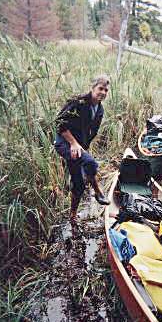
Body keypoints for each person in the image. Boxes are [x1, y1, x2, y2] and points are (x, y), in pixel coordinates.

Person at [54, 75, 110, 224]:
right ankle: (98, 191)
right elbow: (59, 123)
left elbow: (92, 132)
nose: (103, 92)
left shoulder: (99, 109)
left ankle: (72, 216)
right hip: (64, 142)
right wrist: (73, 143)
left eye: (106, 90)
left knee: (78, 184)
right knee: (91, 163)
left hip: (78, 147)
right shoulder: (78, 102)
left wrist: (82, 148)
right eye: (100, 88)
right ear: (92, 88)